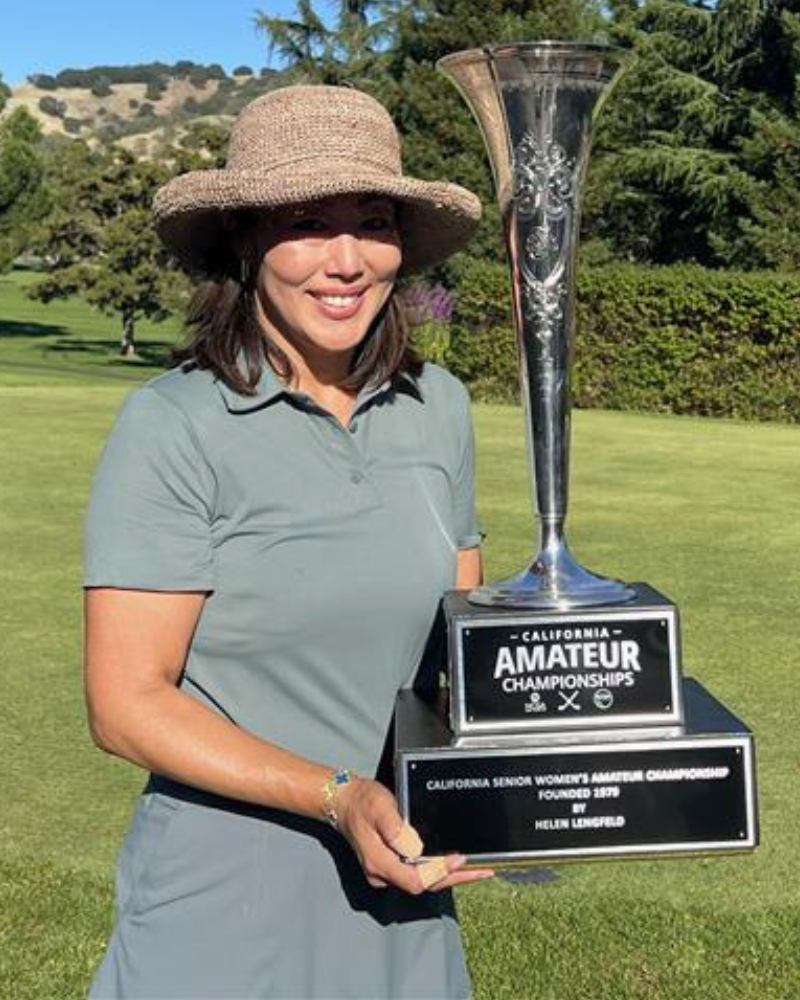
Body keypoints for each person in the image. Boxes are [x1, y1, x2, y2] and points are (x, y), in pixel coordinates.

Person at [83, 83, 491, 1000]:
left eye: (373, 220)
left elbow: (456, 662)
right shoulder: (174, 424)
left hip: (403, 882)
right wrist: (339, 795)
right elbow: (125, 704)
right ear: (246, 242)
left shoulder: (442, 411)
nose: (345, 260)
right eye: (307, 221)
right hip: (228, 897)